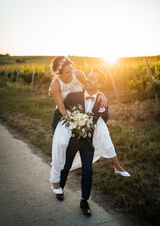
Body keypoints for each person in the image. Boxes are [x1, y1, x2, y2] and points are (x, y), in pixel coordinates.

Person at [50, 69, 130, 216]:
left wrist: (91, 125)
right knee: (65, 166)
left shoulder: (102, 100)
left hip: (88, 143)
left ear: (99, 84)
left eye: (92, 79)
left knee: (88, 171)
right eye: (89, 77)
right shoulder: (73, 96)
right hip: (72, 140)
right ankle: (59, 187)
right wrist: (57, 133)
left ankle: (84, 200)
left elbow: (104, 118)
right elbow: (58, 112)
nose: (87, 79)